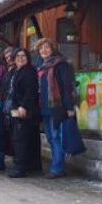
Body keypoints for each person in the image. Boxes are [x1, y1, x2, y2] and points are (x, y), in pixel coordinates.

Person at [36, 38, 75, 179]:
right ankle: (58, 166)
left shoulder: (60, 64)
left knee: (56, 137)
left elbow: (66, 87)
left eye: (46, 47)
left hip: (57, 107)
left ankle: (57, 168)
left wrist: (69, 107)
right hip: (44, 107)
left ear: (52, 49)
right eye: (41, 49)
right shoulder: (41, 66)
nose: (43, 51)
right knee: (51, 138)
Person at [8, 48, 40, 178]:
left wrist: (23, 106)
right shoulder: (16, 71)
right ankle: (32, 164)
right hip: (18, 108)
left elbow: (30, 90)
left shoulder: (29, 71)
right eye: (18, 56)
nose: (20, 58)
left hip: (25, 109)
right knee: (29, 137)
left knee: (20, 138)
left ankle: (20, 167)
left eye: (23, 56)